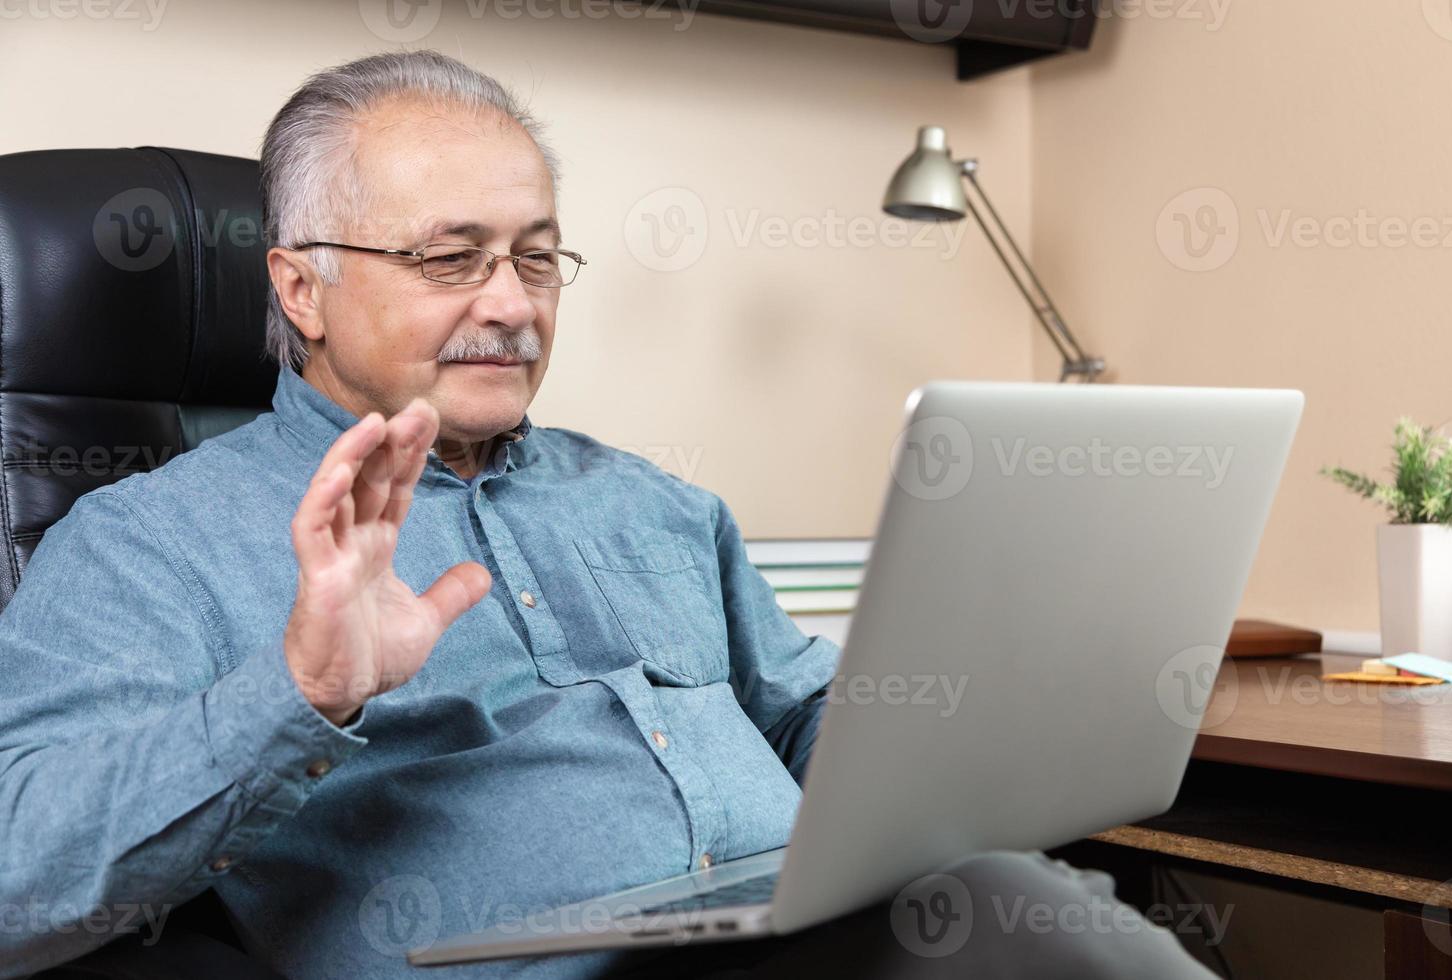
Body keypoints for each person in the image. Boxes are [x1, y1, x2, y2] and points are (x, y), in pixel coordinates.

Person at [0, 50, 1214, 979]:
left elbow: (800, 714)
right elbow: (19, 876)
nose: (512, 304)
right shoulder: (145, 537)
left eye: (536, 257)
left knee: (1026, 898)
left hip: (818, 928)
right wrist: (301, 692)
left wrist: (943, 708)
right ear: (299, 284)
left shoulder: (655, 502)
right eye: (449, 257)